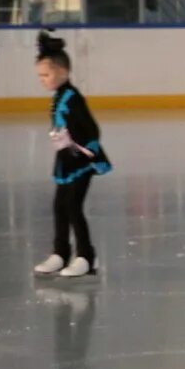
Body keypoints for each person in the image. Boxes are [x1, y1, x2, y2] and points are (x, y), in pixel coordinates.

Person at [32, 31, 112, 279]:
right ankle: (60, 252)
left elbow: (91, 129)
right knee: (59, 206)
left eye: (46, 75)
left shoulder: (73, 98)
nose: (42, 80)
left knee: (73, 207)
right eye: (40, 76)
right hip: (65, 161)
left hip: (81, 162)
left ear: (63, 72)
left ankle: (86, 256)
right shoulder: (60, 96)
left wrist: (81, 151)